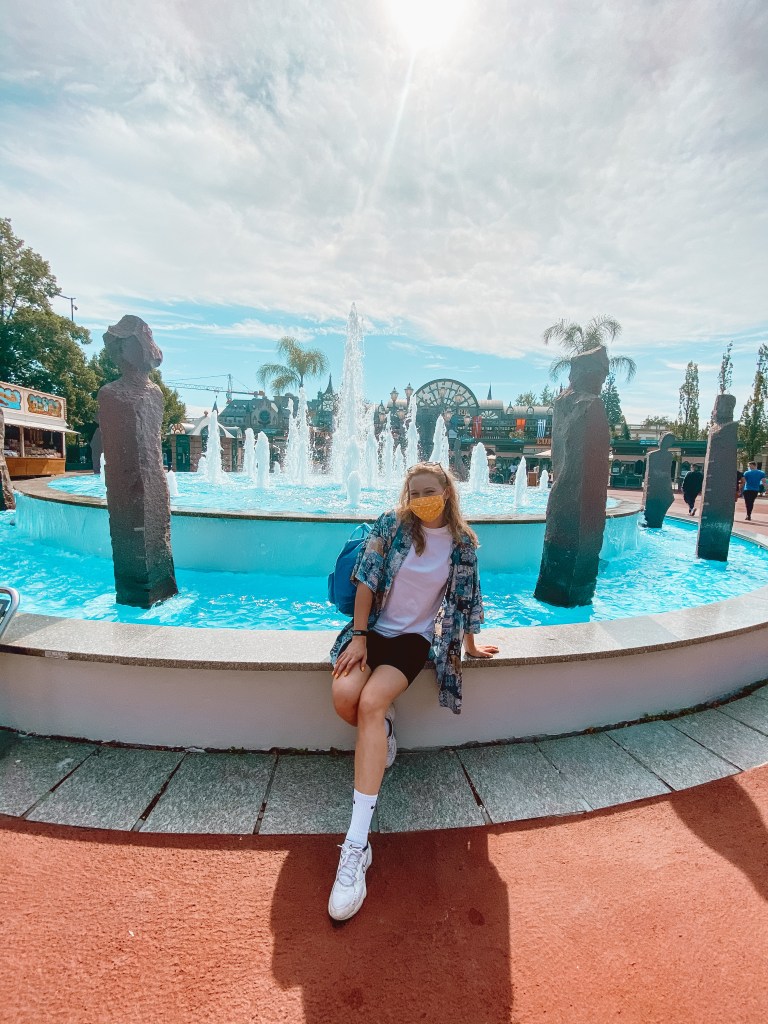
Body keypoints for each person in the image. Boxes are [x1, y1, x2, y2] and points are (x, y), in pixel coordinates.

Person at [328, 462, 499, 921]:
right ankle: (384, 733)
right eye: (415, 491)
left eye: (430, 490)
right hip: (372, 631)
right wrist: (359, 637)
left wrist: (470, 645)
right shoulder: (392, 524)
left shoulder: (462, 544)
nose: (422, 499)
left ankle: (356, 846)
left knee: (370, 702)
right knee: (345, 699)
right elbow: (366, 579)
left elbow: (467, 599)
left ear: (447, 492)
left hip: (411, 642)